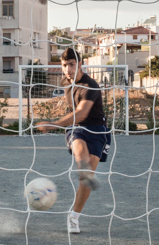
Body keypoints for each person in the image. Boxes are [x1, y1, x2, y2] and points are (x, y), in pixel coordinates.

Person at [37, 48, 111, 234]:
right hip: (77, 128)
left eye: (72, 64)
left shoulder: (90, 85)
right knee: (79, 148)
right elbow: (76, 117)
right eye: (64, 65)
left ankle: (74, 216)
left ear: (80, 64)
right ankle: (84, 167)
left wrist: (54, 124)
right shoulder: (65, 81)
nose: (68, 69)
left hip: (97, 129)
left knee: (85, 178)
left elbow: (82, 113)